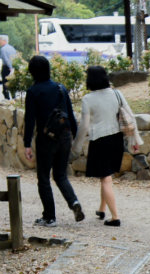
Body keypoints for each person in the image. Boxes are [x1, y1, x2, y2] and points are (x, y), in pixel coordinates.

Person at [72, 65, 140, 227]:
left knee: (105, 178)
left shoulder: (88, 99)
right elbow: (130, 116)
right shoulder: (117, 94)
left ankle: (115, 217)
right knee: (106, 176)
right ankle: (102, 209)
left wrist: (76, 147)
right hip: (116, 139)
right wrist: (135, 140)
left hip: (99, 141)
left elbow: (84, 126)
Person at [23, 55, 84, 228]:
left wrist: (27, 144)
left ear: (32, 72)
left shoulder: (33, 92)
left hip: (45, 139)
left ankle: (49, 217)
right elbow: (70, 115)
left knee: (43, 178)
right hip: (64, 137)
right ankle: (73, 202)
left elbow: (30, 120)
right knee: (60, 175)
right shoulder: (60, 88)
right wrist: (74, 136)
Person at [0, 35, 17, 100]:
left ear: (4, 41)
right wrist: (13, 68)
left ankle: (7, 100)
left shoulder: (3, 49)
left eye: (0, 40)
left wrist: (10, 67)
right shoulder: (12, 48)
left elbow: (6, 59)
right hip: (13, 67)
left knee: (5, 84)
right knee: (12, 84)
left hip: (6, 68)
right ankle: (14, 98)